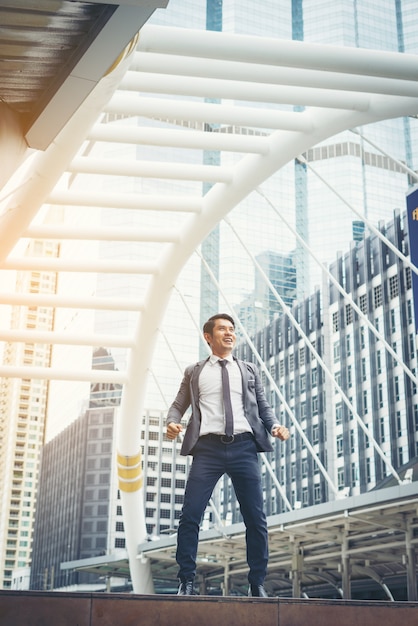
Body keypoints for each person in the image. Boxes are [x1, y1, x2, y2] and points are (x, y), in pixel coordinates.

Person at [166, 313, 289, 597]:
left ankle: (257, 583)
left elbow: (263, 405)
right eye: (222, 329)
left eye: (232, 329)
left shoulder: (248, 369)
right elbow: (177, 406)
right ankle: (186, 581)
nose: (229, 333)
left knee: (255, 518)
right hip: (207, 450)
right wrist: (172, 422)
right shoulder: (194, 371)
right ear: (208, 336)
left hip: (244, 448)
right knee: (190, 516)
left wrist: (274, 425)